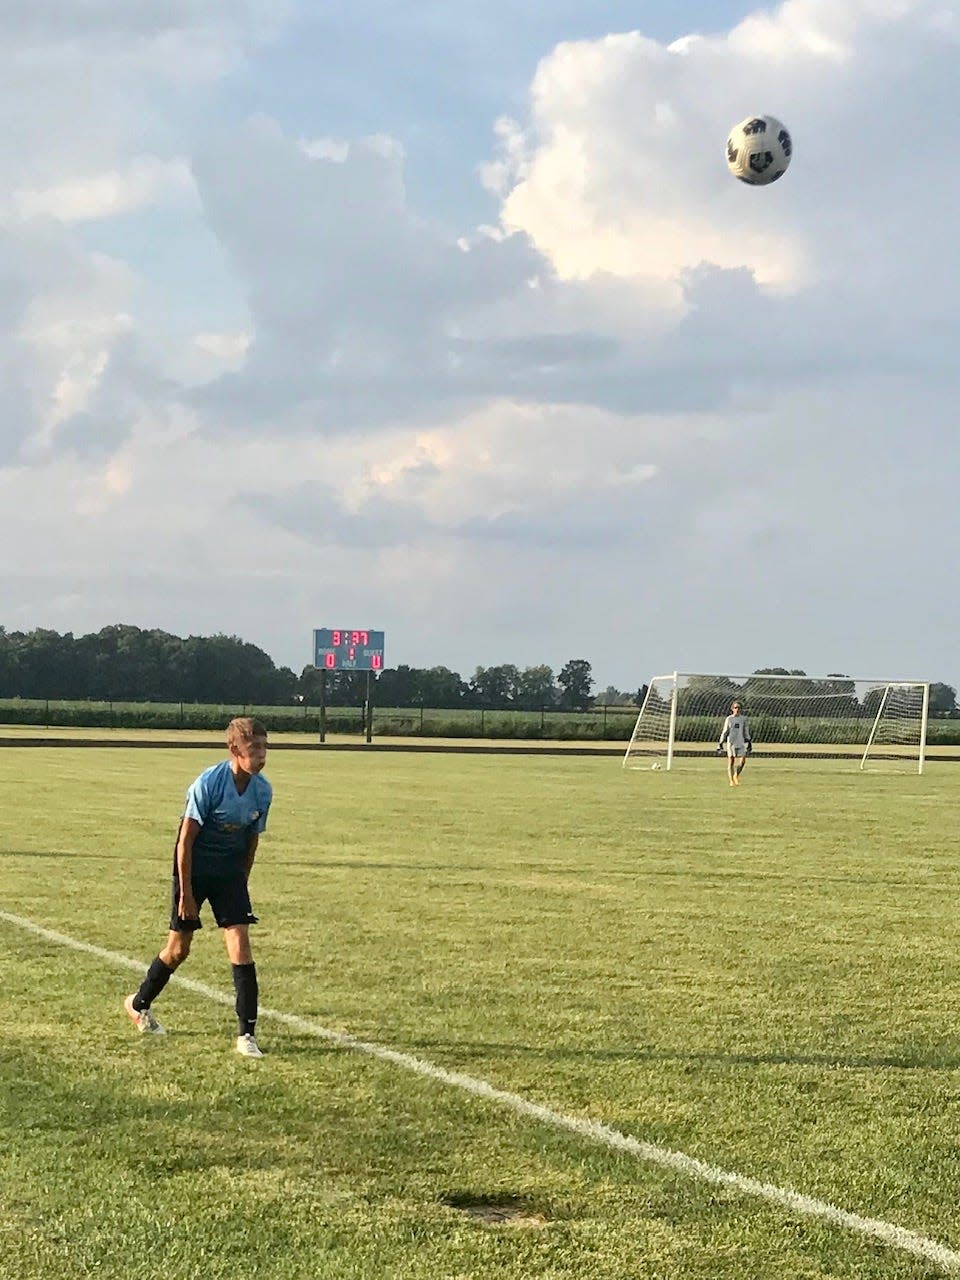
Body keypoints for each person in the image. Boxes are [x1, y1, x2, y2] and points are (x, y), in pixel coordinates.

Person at [124, 716, 273, 1057]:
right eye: (255, 749)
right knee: (178, 949)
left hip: (229, 873)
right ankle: (139, 1003)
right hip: (194, 869)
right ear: (234, 750)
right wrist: (187, 893)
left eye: (265, 748)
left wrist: (240, 883)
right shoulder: (208, 783)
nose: (262, 756)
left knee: (240, 944)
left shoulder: (263, 790)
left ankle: (246, 1036)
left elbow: (251, 841)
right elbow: (185, 841)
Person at [717, 699, 752, 786]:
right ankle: (731, 780)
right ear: (732, 709)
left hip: (740, 742)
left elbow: (746, 731)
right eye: (735, 707)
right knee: (731, 761)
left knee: (743, 761)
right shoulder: (729, 719)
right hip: (731, 743)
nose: (737, 709)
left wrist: (749, 741)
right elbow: (725, 731)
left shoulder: (743, 719)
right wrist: (721, 743)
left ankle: (736, 775)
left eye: (739, 708)